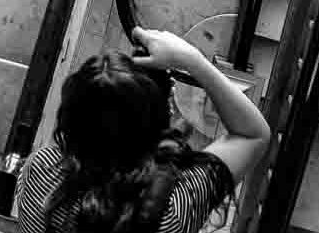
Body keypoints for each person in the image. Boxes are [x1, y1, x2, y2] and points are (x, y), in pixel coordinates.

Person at [16, 27, 272, 233]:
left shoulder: (43, 171)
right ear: (159, 121)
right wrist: (192, 60)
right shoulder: (174, 208)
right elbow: (252, 133)